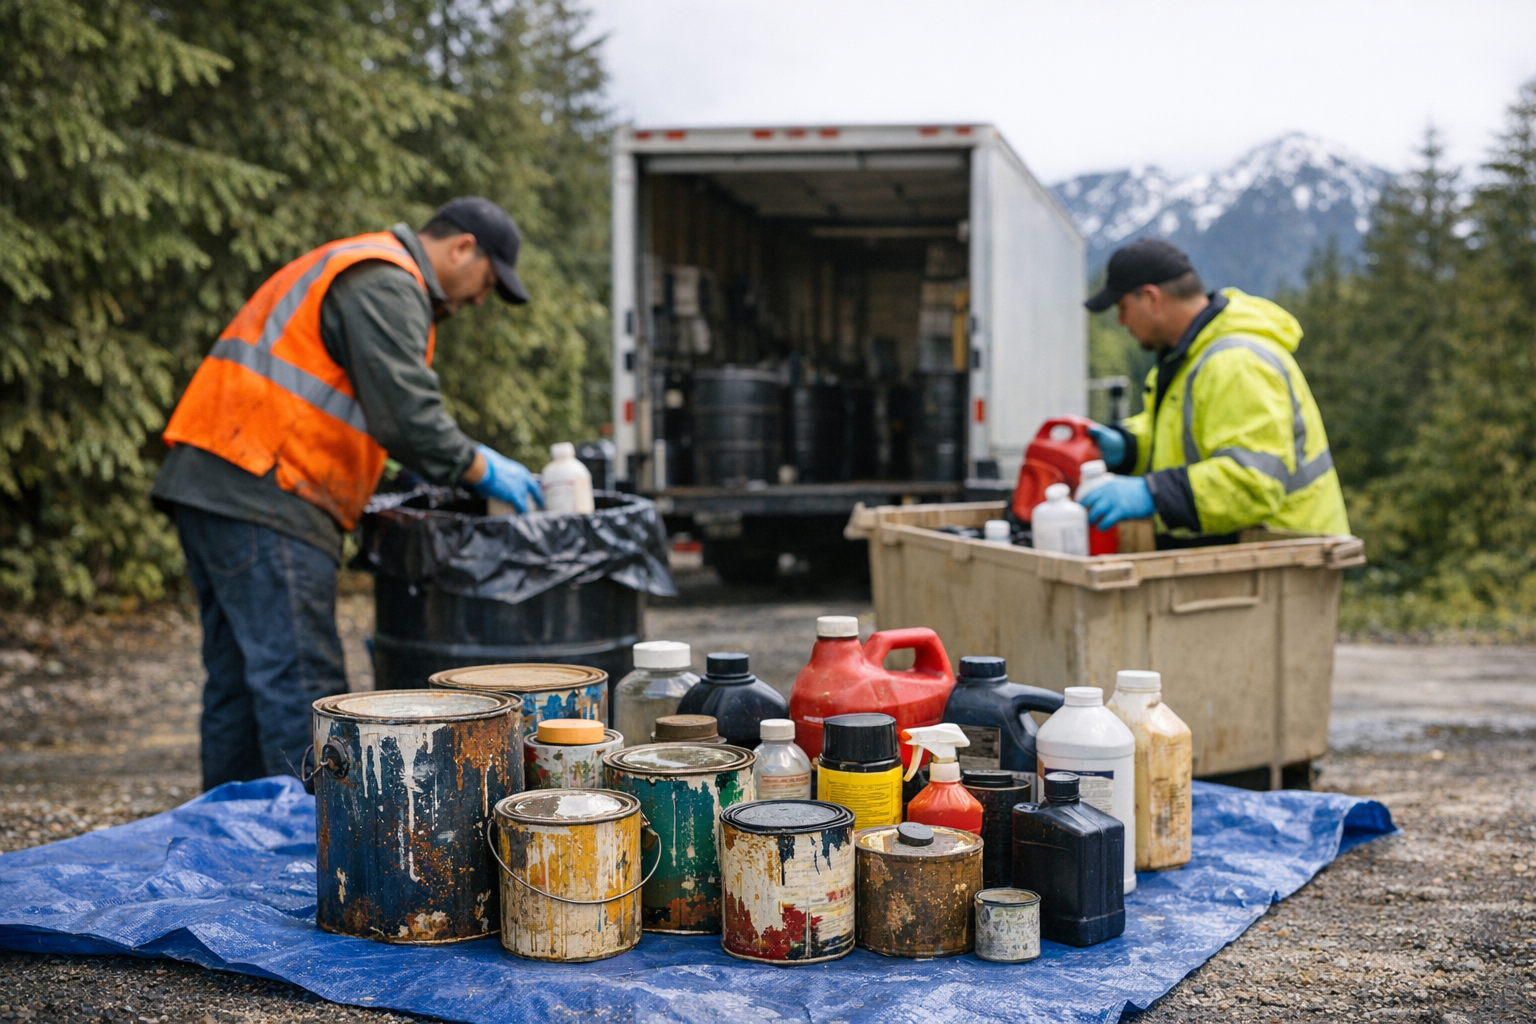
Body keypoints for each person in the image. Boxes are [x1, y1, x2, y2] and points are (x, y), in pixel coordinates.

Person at [153, 197, 543, 789]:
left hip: (218, 482)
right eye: (488, 281)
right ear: (463, 247)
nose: (480, 299)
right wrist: (478, 466)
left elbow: (349, 408)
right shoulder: (386, 281)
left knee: (236, 680)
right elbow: (408, 417)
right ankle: (309, 848)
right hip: (268, 490)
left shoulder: (362, 268)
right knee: (300, 680)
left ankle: (233, 829)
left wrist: (410, 477)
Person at [1077, 239, 1349, 549]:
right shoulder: (1192, 356)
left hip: (1291, 558)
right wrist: (1128, 447)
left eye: (1123, 308)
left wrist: (1151, 493)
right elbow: (1184, 436)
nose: (1121, 321)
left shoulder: (1237, 363)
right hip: (1254, 554)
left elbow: (1250, 483)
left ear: (1152, 298)